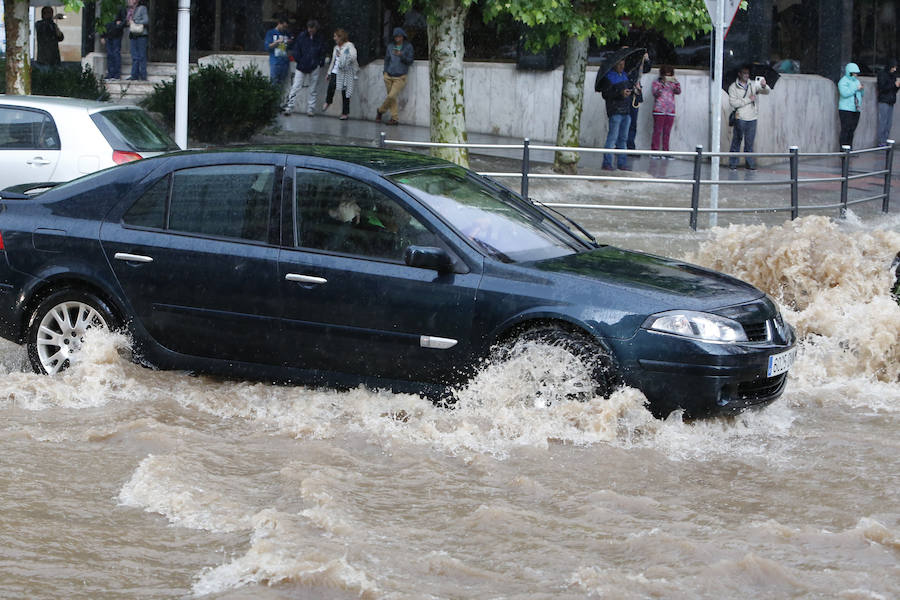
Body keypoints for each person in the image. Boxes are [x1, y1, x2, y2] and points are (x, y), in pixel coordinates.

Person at [727, 65, 770, 170]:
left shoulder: (753, 84)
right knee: (737, 141)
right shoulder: (733, 87)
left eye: (747, 73)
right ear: (739, 74)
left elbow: (766, 91)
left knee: (750, 142)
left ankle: (750, 164)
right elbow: (733, 103)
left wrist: (764, 85)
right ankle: (733, 163)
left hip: (752, 118)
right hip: (740, 117)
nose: (746, 75)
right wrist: (748, 100)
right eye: (744, 73)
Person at [284, 20, 327, 117]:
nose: (311, 31)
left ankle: (307, 109)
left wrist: (319, 62)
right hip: (305, 64)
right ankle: (291, 107)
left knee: (307, 88)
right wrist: (300, 60)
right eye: (310, 29)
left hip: (309, 64)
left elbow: (322, 50)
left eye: (312, 29)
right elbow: (297, 50)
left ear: (315, 29)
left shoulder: (306, 37)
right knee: (298, 87)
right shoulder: (305, 37)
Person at [376, 27, 414, 126]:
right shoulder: (390, 46)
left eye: (399, 36)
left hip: (400, 76)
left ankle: (380, 110)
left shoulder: (408, 47)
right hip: (389, 75)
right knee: (392, 98)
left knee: (391, 96)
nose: (398, 38)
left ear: (403, 37)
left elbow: (410, 61)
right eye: (396, 37)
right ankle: (394, 118)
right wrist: (385, 72)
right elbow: (387, 60)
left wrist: (401, 55)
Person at [323, 28, 359, 120]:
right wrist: (329, 72)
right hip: (336, 70)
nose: (334, 38)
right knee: (331, 86)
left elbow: (353, 57)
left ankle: (345, 113)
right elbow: (333, 61)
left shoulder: (349, 46)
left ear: (340, 37)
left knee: (345, 93)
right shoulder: (335, 48)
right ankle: (328, 101)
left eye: (335, 36)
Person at [650, 65, 681, 158]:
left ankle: (665, 151)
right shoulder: (656, 83)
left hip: (670, 110)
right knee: (657, 131)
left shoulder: (673, 83)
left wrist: (676, 82)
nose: (668, 76)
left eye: (669, 74)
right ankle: (654, 151)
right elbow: (655, 93)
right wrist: (662, 84)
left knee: (667, 132)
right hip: (659, 109)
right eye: (666, 74)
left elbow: (678, 91)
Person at [626, 52, 651, 155]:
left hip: (634, 97)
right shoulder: (623, 67)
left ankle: (630, 146)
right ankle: (621, 146)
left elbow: (647, 69)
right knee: (623, 123)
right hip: (625, 97)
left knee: (632, 124)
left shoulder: (637, 66)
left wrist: (647, 60)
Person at [837, 62, 864, 149]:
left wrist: (861, 90)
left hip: (856, 109)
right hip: (845, 109)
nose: (856, 75)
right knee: (846, 129)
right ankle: (843, 148)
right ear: (850, 72)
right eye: (854, 73)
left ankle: (849, 148)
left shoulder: (857, 81)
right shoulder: (843, 81)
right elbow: (844, 93)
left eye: (857, 73)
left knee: (852, 130)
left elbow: (861, 94)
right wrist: (856, 88)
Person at [265, 15, 294, 89]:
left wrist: (289, 42)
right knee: (274, 83)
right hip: (275, 62)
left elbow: (291, 46)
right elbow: (267, 47)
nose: (285, 28)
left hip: (284, 62)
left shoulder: (286, 33)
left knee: (282, 85)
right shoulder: (271, 33)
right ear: (279, 23)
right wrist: (277, 42)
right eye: (283, 26)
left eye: (286, 27)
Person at [875, 59, 899, 147]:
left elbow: (893, 90)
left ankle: (885, 139)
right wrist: (893, 85)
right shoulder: (882, 74)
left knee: (889, 123)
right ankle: (881, 141)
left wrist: (896, 86)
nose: (895, 69)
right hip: (884, 100)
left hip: (891, 100)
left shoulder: (893, 75)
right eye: (893, 67)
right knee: (883, 122)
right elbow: (882, 88)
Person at [101, 5, 127, 80]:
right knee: (109, 54)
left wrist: (117, 27)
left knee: (116, 53)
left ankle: (117, 74)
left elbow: (124, 21)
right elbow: (102, 22)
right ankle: (110, 73)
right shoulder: (106, 7)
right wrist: (102, 35)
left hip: (117, 35)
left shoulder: (120, 7)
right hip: (108, 35)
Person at [127, 0, 150, 81]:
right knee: (134, 56)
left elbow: (146, 20)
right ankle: (134, 75)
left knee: (142, 56)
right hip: (133, 35)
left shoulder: (142, 8)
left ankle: (143, 75)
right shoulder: (130, 10)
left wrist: (135, 22)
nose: (129, 1)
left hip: (141, 35)